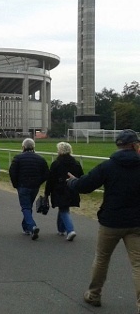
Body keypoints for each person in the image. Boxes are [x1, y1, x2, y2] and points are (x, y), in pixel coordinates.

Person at [67, 129, 140, 311]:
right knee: (138, 264)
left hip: (111, 221)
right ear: (134, 145)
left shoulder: (108, 166)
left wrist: (72, 182)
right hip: (136, 222)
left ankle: (94, 294)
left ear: (118, 146)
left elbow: (85, 186)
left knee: (101, 259)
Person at [8, 138, 49, 240]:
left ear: (23, 147)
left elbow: (12, 172)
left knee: (25, 207)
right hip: (34, 186)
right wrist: (39, 182)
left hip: (23, 185)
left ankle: (32, 226)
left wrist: (16, 184)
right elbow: (46, 173)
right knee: (28, 206)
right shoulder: (40, 158)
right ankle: (26, 227)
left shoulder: (18, 158)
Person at [45, 142, 83, 241]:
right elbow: (81, 176)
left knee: (63, 209)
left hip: (60, 189)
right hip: (72, 188)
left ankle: (70, 230)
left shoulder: (56, 164)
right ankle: (61, 229)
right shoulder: (76, 163)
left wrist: (46, 193)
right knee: (63, 207)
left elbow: (50, 180)